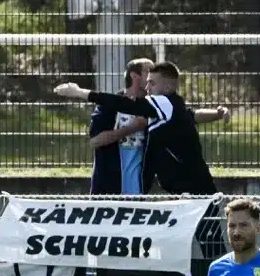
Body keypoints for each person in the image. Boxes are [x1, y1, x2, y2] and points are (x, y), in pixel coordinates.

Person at [56, 62, 218, 195]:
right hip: (114, 185)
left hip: (191, 185)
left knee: (207, 232)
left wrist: (80, 93)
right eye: (147, 78)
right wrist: (218, 113)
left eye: (152, 82)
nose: (148, 86)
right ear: (135, 76)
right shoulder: (115, 107)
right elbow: (95, 140)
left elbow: (129, 105)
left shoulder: (163, 102)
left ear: (167, 88)